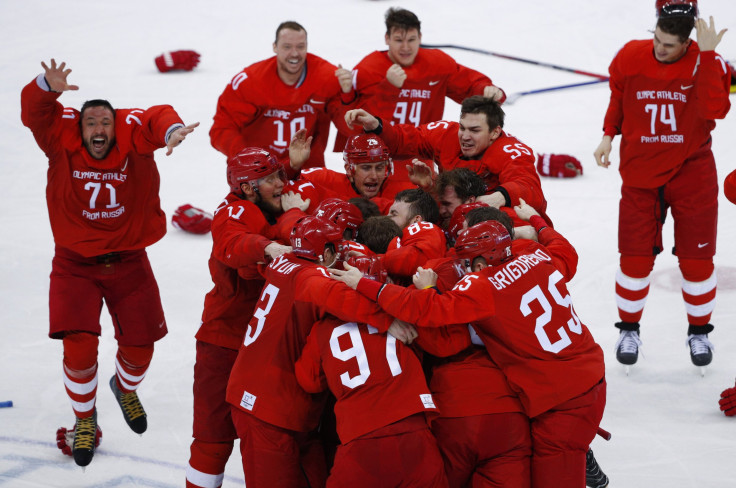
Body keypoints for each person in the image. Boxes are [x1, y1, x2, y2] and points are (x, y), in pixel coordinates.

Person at [332, 201, 606, 488]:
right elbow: (566, 253)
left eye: (467, 263)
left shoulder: (482, 285)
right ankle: (582, 447)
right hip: (588, 375)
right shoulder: (534, 253)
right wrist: (537, 222)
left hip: (561, 401)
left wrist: (369, 285)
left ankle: (579, 447)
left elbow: (428, 312)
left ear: (478, 262)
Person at [21, 59, 198, 467]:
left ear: (115, 126)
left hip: (129, 259)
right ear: (78, 126)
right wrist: (45, 85)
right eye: (91, 124)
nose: (99, 130)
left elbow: (157, 117)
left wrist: (172, 131)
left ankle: (124, 386)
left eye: (105, 123)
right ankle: (84, 419)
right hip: (74, 263)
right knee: (78, 347)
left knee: (141, 347)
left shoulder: (131, 131)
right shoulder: (58, 135)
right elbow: (34, 111)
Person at [224, 215, 412, 487]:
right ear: (325, 253)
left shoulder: (282, 262)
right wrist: (388, 319)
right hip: (265, 408)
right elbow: (331, 293)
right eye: (338, 249)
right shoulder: (312, 277)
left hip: (279, 403)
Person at [593, 1, 731, 369]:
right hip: (639, 175)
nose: (659, 48)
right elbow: (619, 97)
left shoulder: (708, 62)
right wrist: (609, 134)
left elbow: (715, 110)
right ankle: (629, 329)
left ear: (687, 43)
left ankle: (699, 334)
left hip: (692, 171)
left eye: (669, 45)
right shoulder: (630, 56)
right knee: (634, 259)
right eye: (657, 40)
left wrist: (709, 57)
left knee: (697, 261)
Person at [186, 148, 305, 488]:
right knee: (213, 440)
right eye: (270, 179)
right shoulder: (235, 211)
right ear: (249, 188)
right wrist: (266, 247)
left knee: (277, 442)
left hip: (266, 347)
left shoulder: (270, 203)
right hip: (227, 342)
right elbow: (232, 242)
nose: (280, 184)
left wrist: (294, 166)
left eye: (279, 175)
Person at [294, 256, 448, 488]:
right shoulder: (402, 316)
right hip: (413, 430)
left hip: (360, 439)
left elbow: (310, 382)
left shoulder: (322, 330)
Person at [334, 7, 505, 185]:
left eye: (412, 39)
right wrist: (389, 88)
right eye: (399, 40)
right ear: (387, 39)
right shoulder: (368, 68)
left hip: (419, 157)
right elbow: (355, 128)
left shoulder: (437, 63)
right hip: (378, 161)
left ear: (420, 38)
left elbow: (469, 84)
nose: (406, 47)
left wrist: (486, 90)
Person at [345, 96, 549, 218]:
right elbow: (406, 139)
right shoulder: (445, 134)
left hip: (491, 223)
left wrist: (496, 198)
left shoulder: (512, 151)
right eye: (463, 127)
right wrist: (376, 125)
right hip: (452, 215)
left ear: (495, 133)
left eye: (475, 130)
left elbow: (530, 190)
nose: (465, 136)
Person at [210, 21, 356, 170]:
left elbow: (350, 130)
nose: (294, 53)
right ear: (275, 47)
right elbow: (221, 129)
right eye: (287, 47)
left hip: (307, 172)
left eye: (300, 46)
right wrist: (248, 160)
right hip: (259, 174)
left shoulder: (327, 77)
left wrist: (347, 95)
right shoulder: (250, 81)